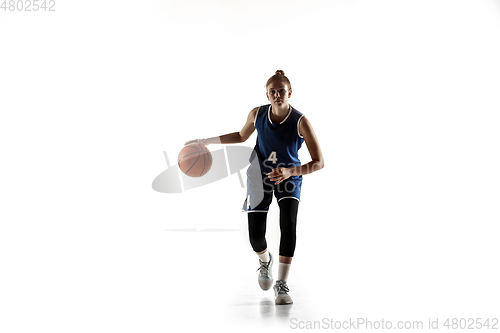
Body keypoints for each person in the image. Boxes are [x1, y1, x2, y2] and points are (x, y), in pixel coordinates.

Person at [185, 70, 324, 305]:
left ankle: (282, 284)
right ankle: (264, 261)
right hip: (258, 175)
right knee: (255, 236)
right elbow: (241, 136)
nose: (277, 94)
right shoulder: (257, 114)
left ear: (290, 93)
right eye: (273, 91)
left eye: (282, 91)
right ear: (267, 94)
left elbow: (319, 162)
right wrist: (206, 141)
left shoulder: (300, 121)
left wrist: (290, 171)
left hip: (289, 177)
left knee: (288, 225)